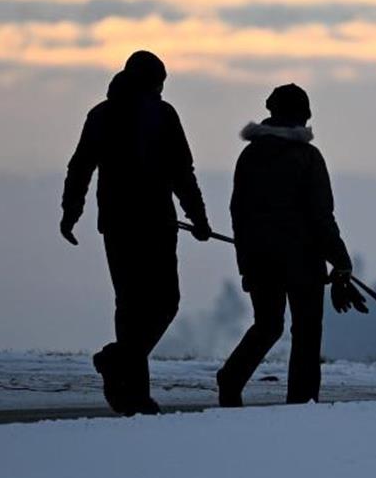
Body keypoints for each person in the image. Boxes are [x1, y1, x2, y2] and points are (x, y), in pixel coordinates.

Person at [60, 50, 211, 416]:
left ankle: (133, 395)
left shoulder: (100, 114)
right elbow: (182, 172)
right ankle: (120, 364)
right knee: (165, 302)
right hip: (156, 223)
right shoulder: (163, 114)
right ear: (154, 82)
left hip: (115, 224)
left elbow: (80, 167)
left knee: (130, 307)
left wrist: (70, 213)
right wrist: (199, 218)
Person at [217, 83, 353, 407]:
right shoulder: (307, 157)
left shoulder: (249, 156)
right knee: (306, 332)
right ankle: (302, 402)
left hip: (259, 259)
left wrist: (245, 262)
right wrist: (341, 261)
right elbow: (322, 216)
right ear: (301, 116)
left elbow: (239, 213)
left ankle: (232, 377)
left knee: (267, 325)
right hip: (303, 262)